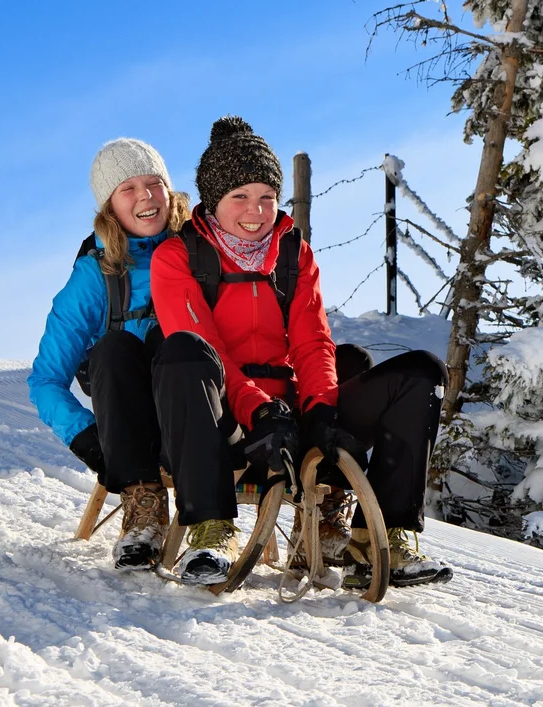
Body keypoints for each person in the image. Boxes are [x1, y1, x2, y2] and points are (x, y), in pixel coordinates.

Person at [150, 116, 451, 588]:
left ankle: (379, 540)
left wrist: (320, 411)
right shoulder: (178, 256)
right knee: (184, 353)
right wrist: (260, 410)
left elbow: (312, 340)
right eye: (240, 197)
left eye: (267, 196)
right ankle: (211, 531)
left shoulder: (294, 253)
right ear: (212, 200)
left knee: (419, 373)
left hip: (290, 419)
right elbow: (207, 351)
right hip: (219, 422)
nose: (257, 210)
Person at [30, 138, 191, 570]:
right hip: (132, 423)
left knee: (176, 343)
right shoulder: (94, 275)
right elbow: (46, 379)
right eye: (128, 189)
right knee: (115, 348)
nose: (146, 197)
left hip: (199, 415)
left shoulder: (202, 251)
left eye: (154, 183)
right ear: (109, 207)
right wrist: (89, 441)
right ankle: (143, 508)